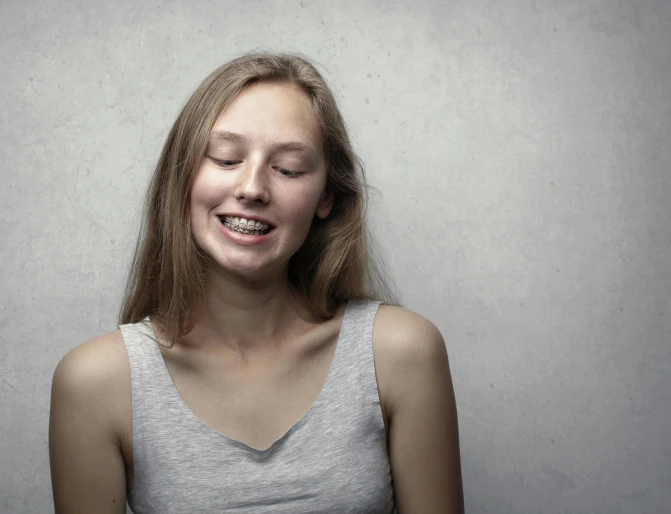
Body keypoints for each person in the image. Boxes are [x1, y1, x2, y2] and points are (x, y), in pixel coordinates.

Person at [49, 52, 464, 514]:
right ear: (181, 175)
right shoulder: (95, 383)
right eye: (226, 158)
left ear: (326, 196)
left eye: (287, 169)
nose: (252, 188)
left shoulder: (401, 353)